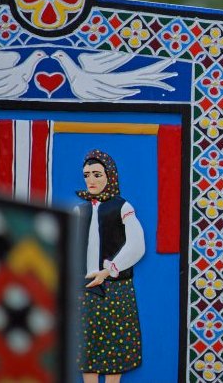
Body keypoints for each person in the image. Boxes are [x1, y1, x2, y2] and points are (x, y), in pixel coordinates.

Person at [76, 149, 144, 383]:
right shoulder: (80, 210)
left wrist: (109, 270)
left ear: (109, 176)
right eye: (87, 175)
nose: (91, 181)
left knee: (114, 347)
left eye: (97, 174)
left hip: (116, 287)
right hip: (86, 287)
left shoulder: (122, 207)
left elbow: (137, 245)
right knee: (87, 346)